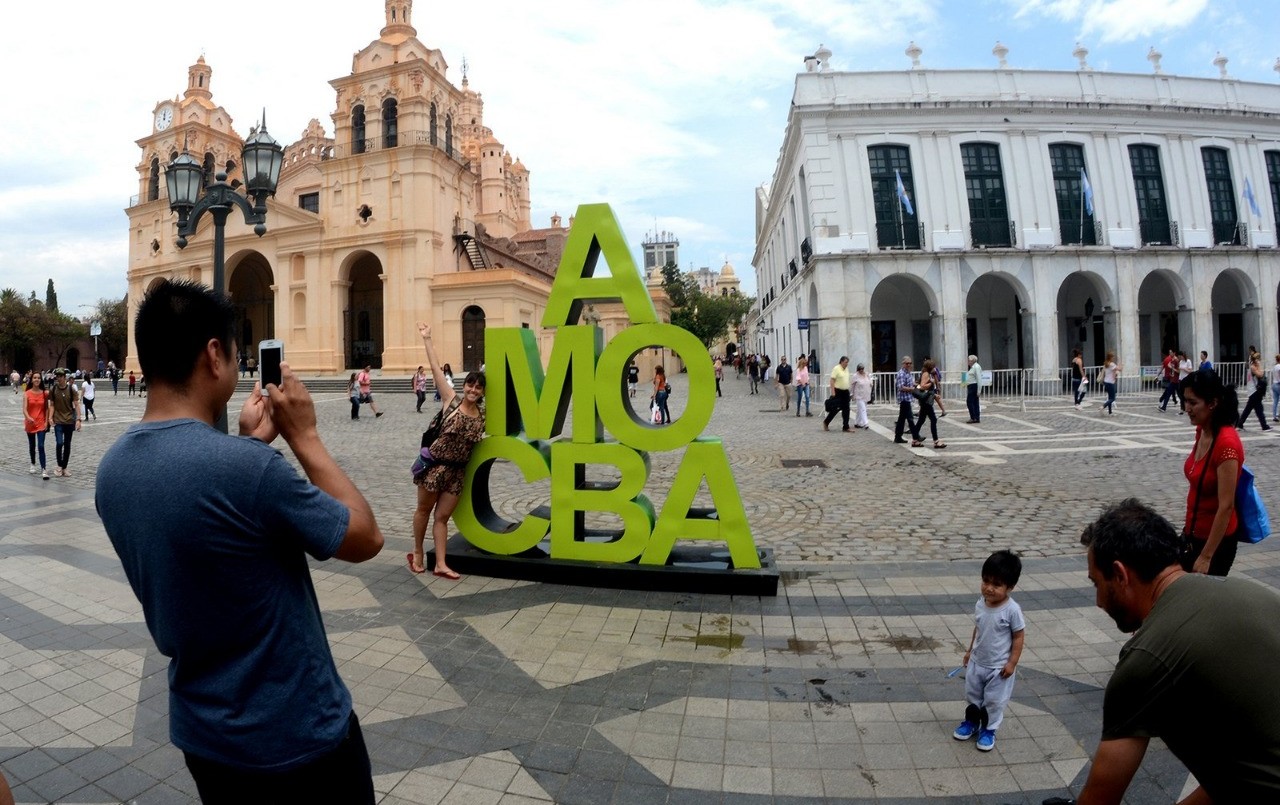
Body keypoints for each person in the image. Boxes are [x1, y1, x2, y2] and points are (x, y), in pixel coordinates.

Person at [95, 280, 384, 802]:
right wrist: (304, 436)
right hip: (296, 736)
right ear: (214, 355)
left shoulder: (112, 469)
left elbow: (209, 529)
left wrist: (250, 445)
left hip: (205, 734)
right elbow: (365, 537)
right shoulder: (247, 472)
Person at [1075, 498, 1280, 805]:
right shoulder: (1251, 593)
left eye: (1096, 584)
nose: (1098, 601)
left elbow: (1099, 799)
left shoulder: (1147, 657)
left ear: (1120, 574)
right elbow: (1243, 771)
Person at [410, 322, 486, 580]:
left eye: (478, 387)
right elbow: (434, 368)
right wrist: (427, 338)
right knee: (423, 510)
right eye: (470, 385)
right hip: (435, 467)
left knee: (442, 517)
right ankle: (417, 552)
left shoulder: (483, 415)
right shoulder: (451, 401)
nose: (473, 390)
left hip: (457, 472)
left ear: (482, 392)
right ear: (464, 386)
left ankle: (440, 564)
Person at [953, 550, 1024, 753]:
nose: (989, 588)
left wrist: (1012, 663)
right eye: (985, 581)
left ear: (1010, 587)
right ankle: (971, 722)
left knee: (994, 701)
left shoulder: (1012, 610)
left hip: (998, 667)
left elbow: (1019, 637)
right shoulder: (980, 604)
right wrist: (969, 651)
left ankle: (989, 729)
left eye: (996, 584)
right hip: (977, 662)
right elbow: (978, 629)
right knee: (973, 695)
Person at [1179, 369, 1243, 577]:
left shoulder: (1226, 444)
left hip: (1215, 544)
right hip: (1192, 535)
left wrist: (1206, 556)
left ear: (1212, 403)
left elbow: (1226, 506)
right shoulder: (1202, 431)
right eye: (1185, 401)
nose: (1187, 408)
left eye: (1193, 402)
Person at [47, 368, 81, 477]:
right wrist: (50, 417)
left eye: (61, 376)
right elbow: (52, 405)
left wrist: (78, 419)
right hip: (58, 420)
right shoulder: (53, 389)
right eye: (57, 376)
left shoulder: (71, 389)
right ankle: (59, 465)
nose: (59, 378)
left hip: (69, 420)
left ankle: (64, 467)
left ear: (65, 377)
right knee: (59, 443)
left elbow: (76, 405)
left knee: (67, 444)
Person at [914, 359, 946, 448]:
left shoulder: (927, 374)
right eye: (933, 367)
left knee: (921, 420)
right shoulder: (926, 374)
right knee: (933, 419)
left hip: (926, 400)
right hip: (926, 401)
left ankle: (915, 439)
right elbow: (922, 386)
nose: (935, 369)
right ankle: (936, 441)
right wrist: (931, 382)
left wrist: (934, 392)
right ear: (930, 367)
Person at [23, 371, 49, 480]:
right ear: (32, 380)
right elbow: (24, 409)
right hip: (30, 423)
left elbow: (46, 408)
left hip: (41, 423)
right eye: (35, 378)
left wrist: (46, 421)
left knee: (41, 446)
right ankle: (33, 463)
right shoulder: (27, 393)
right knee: (32, 445)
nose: (37, 379)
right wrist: (28, 417)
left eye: (38, 378)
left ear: (41, 380)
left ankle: (44, 469)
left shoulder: (44, 393)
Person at [1236, 351, 1272, 431]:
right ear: (1255, 360)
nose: (1259, 361)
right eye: (1258, 359)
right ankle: (1264, 426)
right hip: (1254, 391)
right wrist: (1260, 366)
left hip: (1253, 391)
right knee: (1258, 409)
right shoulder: (1253, 367)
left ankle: (1240, 424)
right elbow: (1260, 374)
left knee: (1249, 409)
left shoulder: (1252, 366)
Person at [893, 356, 924, 445]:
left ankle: (898, 436)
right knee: (910, 418)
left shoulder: (908, 373)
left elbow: (910, 383)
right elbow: (901, 387)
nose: (909, 365)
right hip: (904, 399)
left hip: (908, 398)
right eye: (907, 363)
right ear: (903, 364)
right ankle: (916, 436)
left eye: (910, 363)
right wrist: (911, 389)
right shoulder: (901, 374)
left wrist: (917, 385)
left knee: (902, 419)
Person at [823, 356, 851, 432]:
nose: (847, 364)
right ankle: (826, 422)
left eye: (847, 362)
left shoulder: (846, 369)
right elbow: (832, 380)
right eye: (845, 362)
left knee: (846, 409)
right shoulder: (836, 368)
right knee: (836, 408)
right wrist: (833, 392)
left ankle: (846, 426)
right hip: (838, 391)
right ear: (841, 362)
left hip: (845, 391)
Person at [851, 362, 872, 429]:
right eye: (860, 369)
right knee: (863, 409)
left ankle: (857, 423)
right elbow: (852, 386)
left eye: (862, 369)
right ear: (858, 369)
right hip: (858, 395)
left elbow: (870, 382)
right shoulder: (855, 376)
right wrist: (851, 394)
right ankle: (865, 423)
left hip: (866, 394)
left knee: (859, 409)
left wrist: (871, 384)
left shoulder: (867, 374)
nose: (861, 370)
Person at [1098, 351, 1120, 415]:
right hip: (1111, 383)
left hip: (1106, 382)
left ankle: (1110, 412)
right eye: (1113, 357)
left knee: (1110, 398)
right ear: (1110, 357)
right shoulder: (1111, 364)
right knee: (1112, 398)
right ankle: (1103, 406)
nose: (1113, 358)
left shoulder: (1106, 363)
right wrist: (1121, 364)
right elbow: (1119, 369)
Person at [964, 354, 982, 423]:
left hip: (973, 386)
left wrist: (979, 390)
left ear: (972, 361)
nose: (967, 362)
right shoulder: (972, 367)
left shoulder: (976, 367)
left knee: (970, 402)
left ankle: (973, 417)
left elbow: (979, 379)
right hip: (971, 386)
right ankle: (976, 417)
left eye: (968, 360)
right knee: (974, 402)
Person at [1272, 353, 1280, 423]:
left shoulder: (1275, 366)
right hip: (1278, 384)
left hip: (1274, 384)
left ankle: (1274, 416)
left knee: (1275, 401)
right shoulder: (1279, 367)